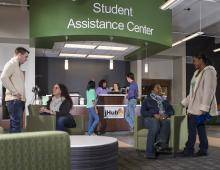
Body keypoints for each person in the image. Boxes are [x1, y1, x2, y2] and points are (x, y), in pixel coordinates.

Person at [181, 53, 217, 157]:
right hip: (193, 106)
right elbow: (192, 92)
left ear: (201, 60)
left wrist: (204, 108)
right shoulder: (197, 73)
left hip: (200, 107)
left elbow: (209, 91)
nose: (193, 63)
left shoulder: (209, 71)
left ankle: (189, 149)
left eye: (194, 60)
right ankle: (203, 149)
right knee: (200, 129)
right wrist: (184, 102)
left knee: (192, 130)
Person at [141, 84, 174, 159]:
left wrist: (166, 115)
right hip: (150, 119)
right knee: (155, 124)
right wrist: (153, 114)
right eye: (157, 88)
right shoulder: (147, 99)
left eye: (160, 88)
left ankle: (161, 146)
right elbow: (143, 112)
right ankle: (149, 152)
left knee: (167, 122)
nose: (159, 89)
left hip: (162, 118)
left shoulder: (165, 100)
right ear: (152, 90)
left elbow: (172, 111)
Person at [1, 47, 29, 133]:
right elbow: (3, 78)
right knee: (16, 126)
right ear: (19, 55)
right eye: (26, 56)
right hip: (14, 101)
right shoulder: (12, 64)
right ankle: (15, 146)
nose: (26, 59)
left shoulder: (17, 66)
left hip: (18, 101)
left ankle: (13, 145)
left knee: (16, 126)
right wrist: (15, 92)